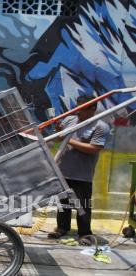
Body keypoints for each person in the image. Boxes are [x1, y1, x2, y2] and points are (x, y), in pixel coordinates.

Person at [48, 95, 110, 246]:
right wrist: (58, 131)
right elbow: (58, 139)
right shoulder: (70, 120)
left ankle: (84, 233)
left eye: (81, 108)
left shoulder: (100, 126)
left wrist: (68, 139)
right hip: (63, 170)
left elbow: (95, 148)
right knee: (63, 203)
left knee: (83, 205)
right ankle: (62, 228)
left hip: (82, 174)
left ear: (92, 109)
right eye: (77, 106)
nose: (77, 111)